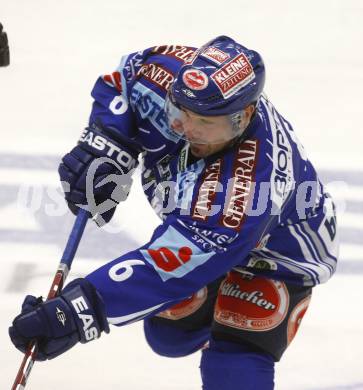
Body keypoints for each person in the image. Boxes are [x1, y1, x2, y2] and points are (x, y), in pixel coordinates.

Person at [9, 36, 339, 389]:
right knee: (166, 334)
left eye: (204, 122)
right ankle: (209, 283)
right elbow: (124, 81)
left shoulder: (244, 190)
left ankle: (227, 311)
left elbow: (165, 265)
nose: (185, 128)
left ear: (242, 118)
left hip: (277, 256)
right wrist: (106, 144)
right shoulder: (165, 74)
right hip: (204, 234)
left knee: (234, 358)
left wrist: (77, 311)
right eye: (179, 112)